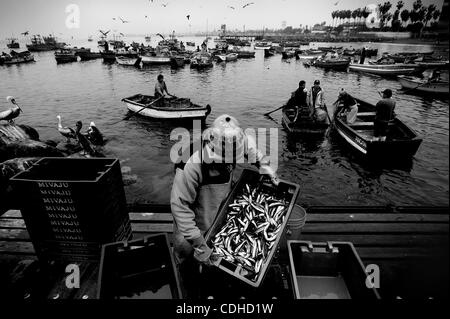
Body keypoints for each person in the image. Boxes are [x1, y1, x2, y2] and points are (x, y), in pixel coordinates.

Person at [170, 114, 278, 298]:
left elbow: (251, 150)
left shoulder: (234, 141)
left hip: (218, 207)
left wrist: (264, 166)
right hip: (191, 218)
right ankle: (183, 281)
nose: (228, 162)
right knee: (185, 250)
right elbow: (180, 206)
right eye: (223, 159)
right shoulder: (191, 163)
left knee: (213, 251)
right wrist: (197, 242)